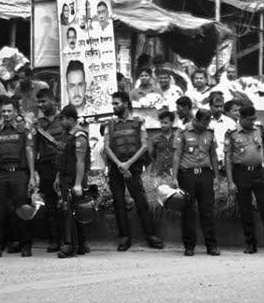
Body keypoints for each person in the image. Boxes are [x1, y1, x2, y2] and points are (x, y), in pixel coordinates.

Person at [102, 92, 162, 250]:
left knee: (141, 201)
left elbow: (144, 146)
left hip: (132, 167)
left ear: (126, 104)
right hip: (117, 169)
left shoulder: (139, 121)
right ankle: (124, 238)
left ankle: (151, 235)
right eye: (113, 104)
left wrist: (128, 164)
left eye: (116, 103)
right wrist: (120, 165)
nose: (113, 106)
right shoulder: (109, 124)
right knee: (119, 202)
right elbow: (107, 147)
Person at [225, 104, 264, 254]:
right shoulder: (232, 133)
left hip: (259, 173)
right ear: (240, 118)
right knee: (245, 210)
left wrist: (256, 157)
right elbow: (228, 158)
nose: (252, 123)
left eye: (254, 119)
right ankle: (250, 244)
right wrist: (230, 182)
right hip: (241, 174)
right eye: (249, 120)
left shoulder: (259, 128)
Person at [0, 97, 36, 258]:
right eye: (4, 111)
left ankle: (26, 245)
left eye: (9, 111)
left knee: (22, 210)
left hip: (19, 174)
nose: (6, 114)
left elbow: (29, 152)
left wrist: (32, 177)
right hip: (0, 174)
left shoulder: (23, 130)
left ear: (16, 111)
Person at [174, 110, 220, 256]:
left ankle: (211, 245)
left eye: (207, 123)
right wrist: (174, 177)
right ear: (196, 119)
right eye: (203, 123)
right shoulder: (183, 131)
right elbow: (177, 154)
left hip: (205, 174)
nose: (205, 126)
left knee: (207, 210)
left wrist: (217, 176)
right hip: (187, 174)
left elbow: (213, 154)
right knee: (188, 210)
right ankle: (189, 246)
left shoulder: (210, 132)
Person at [56, 104, 90, 258]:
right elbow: (62, 158)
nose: (61, 122)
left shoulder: (79, 136)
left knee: (70, 210)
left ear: (71, 119)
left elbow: (80, 161)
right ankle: (81, 244)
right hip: (64, 177)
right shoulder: (66, 135)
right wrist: (57, 177)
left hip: (74, 179)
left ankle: (70, 245)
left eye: (62, 119)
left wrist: (78, 183)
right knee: (70, 211)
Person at [34, 99, 67, 252]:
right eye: (39, 103)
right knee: (51, 205)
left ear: (53, 100)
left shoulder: (64, 119)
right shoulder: (38, 124)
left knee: (66, 202)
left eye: (44, 101)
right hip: (46, 167)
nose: (41, 105)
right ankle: (54, 240)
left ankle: (69, 240)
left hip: (63, 165)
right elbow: (34, 148)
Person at [148, 110, 178, 176]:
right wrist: (150, 174)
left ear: (172, 123)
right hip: (158, 174)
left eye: (165, 123)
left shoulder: (178, 139)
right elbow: (151, 157)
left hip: (174, 174)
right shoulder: (155, 139)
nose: (162, 125)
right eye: (161, 123)